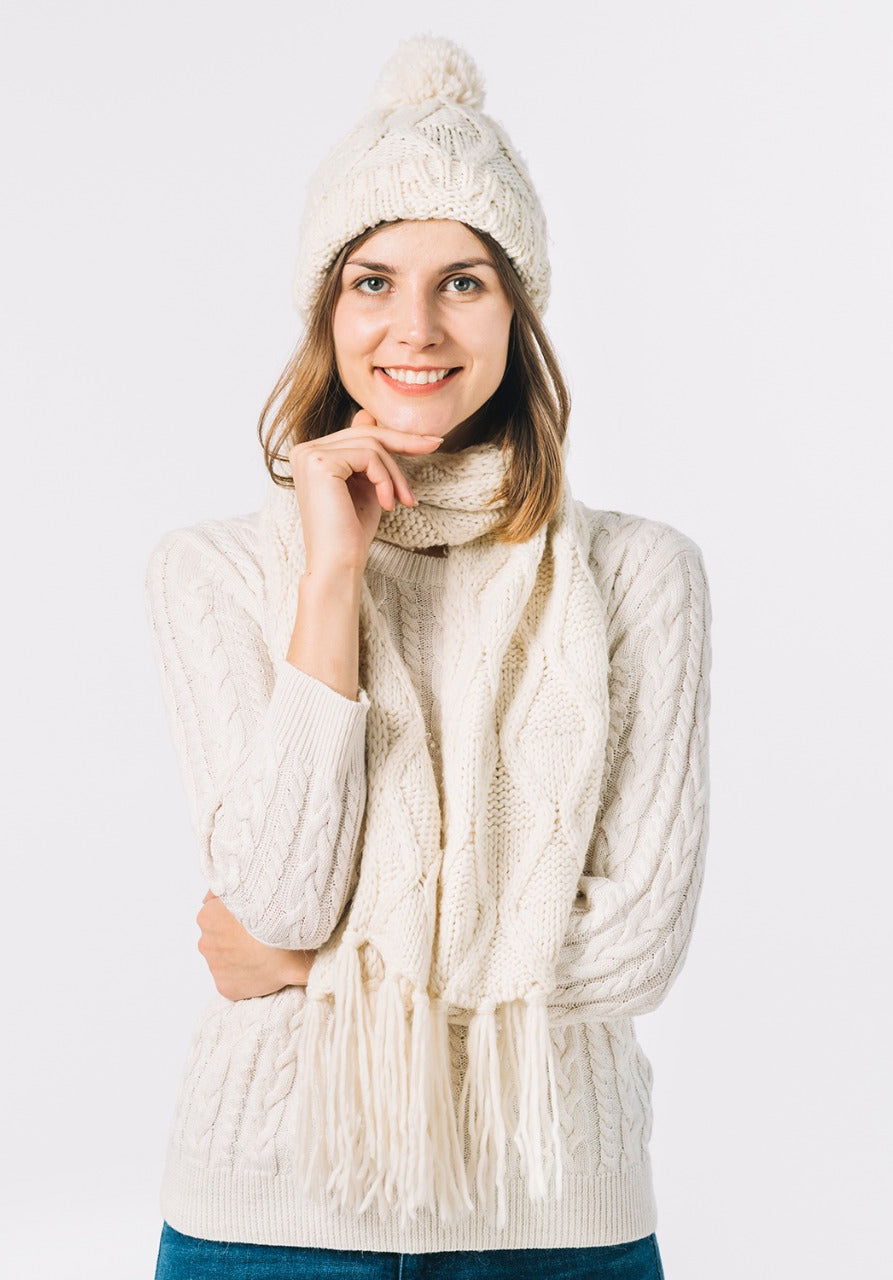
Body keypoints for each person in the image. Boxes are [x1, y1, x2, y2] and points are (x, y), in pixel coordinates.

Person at [144, 34, 711, 1280]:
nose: (414, 326)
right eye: (372, 281)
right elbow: (277, 893)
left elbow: (635, 943)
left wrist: (309, 970)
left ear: (517, 311)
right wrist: (330, 576)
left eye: (462, 281)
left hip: (551, 1222)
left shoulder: (638, 575)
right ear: (326, 310)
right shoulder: (216, 570)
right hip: (272, 1222)